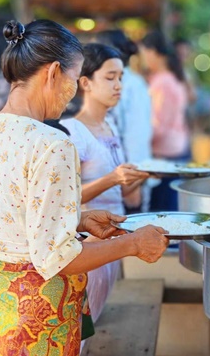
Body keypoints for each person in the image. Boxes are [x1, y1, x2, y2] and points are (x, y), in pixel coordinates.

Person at [0, 19, 169, 356]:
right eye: (74, 78)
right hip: (34, 314)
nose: (73, 92)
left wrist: (76, 219)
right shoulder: (52, 143)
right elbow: (57, 257)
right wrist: (133, 243)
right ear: (54, 72)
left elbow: (10, 218)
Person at [60, 43, 150, 322]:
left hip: (112, 240)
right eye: (110, 78)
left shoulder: (110, 126)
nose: (118, 85)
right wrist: (113, 177)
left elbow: (126, 195)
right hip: (87, 245)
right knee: (82, 325)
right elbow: (64, 200)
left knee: (99, 316)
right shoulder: (73, 131)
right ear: (85, 82)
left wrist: (141, 177)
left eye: (121, 77)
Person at [96, 29, 153, 211]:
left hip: (128, 176)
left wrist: (132, 181)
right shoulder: (125, 82)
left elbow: (137, 134)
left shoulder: (131, 85)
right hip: (117, 175)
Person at [139, 30, 190, 211]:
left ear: (152, 52)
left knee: (163, 212)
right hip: (174, 149)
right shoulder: (172, 78)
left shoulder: (163, 82)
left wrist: (138, 141)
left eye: (143, 53)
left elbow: (159, 125)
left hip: (166, 153)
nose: (143, 59)